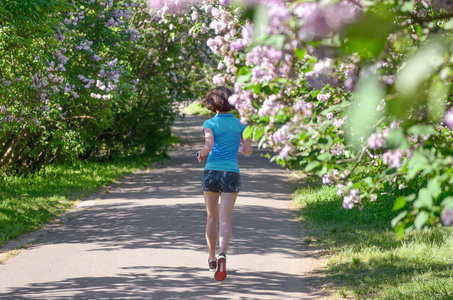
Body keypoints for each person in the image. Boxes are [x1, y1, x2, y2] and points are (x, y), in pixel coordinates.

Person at [197, 86, 252, 281]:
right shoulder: (241, 124)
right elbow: (248, 151)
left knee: (211, 218)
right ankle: (222, 254)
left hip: (212, 172)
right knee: (224, 219)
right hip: (231, 172)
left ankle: (211, 258)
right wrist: (234, 146)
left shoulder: (210, 123)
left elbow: (208, 145)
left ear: (212, 103)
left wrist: (201, 154)